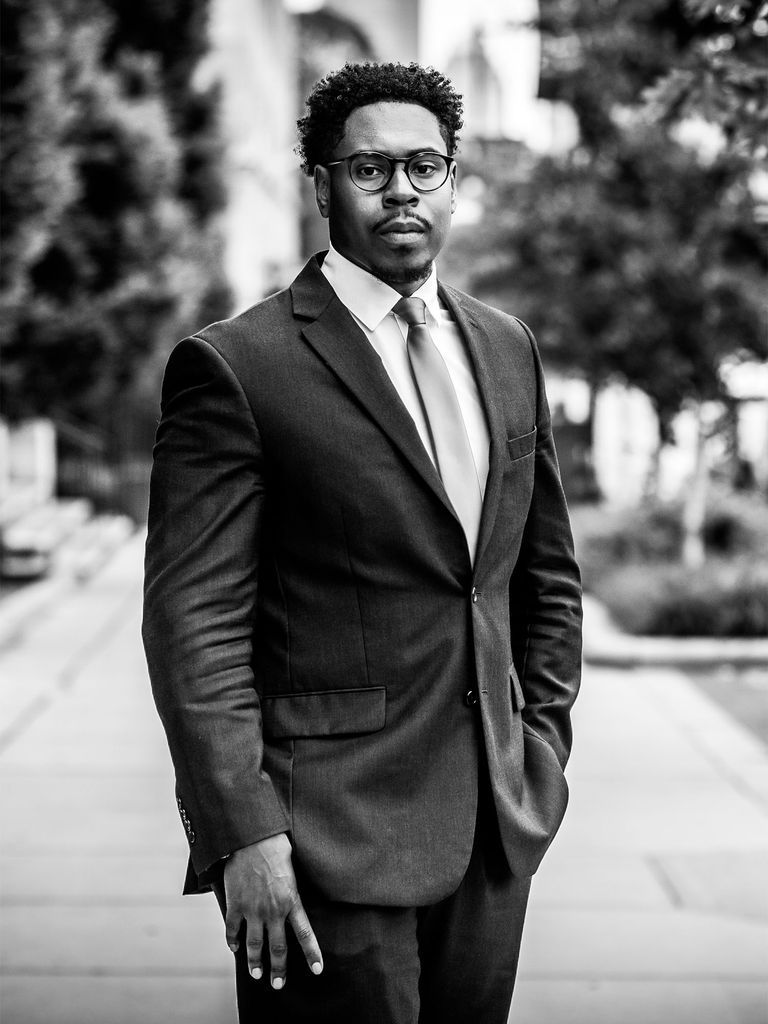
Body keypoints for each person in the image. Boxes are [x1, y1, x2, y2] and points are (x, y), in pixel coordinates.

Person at [143, 61, 582, 1024]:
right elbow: (192, 627)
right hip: (322, 842)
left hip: (493, 831)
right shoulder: (238, 366)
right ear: (322, 185)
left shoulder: (508, 347)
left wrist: (541, 749)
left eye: (425, 166)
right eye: (369, 168)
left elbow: (543, 578)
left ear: (455, 180)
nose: (401, 192)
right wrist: (242, 834)